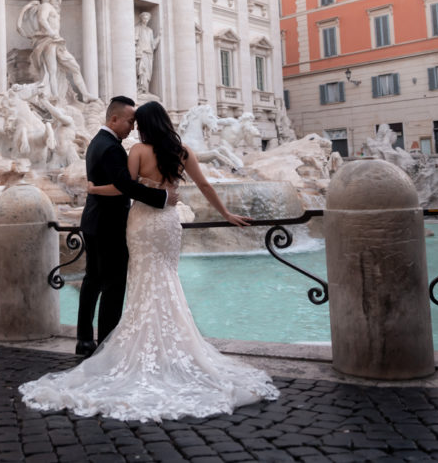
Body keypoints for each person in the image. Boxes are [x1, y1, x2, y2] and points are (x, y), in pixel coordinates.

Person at [21, 101, 279, 422]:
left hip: (142, 223)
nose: (133, 127)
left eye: (136, 123)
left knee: (140, 279)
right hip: (168, 223)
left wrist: (93, 188)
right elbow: (205, 184)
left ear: (143, 125)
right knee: (166, 277)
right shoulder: (182, 151)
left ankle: (119, 344)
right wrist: (226, 213)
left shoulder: (138, 152)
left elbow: (122, 188)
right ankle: (167, 346)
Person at [71, 96, 177, 358]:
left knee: (92, 280)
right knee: (113, 285)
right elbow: (125, 186)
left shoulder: (97, 142)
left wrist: (95, 189)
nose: (133, 127)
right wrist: (162, 197)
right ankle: (107, 343)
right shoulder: (111, 148)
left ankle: (84, 338)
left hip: (93, 221)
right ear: (114, 119)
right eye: (130, 121)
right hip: (109, 225)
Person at [17, 0, 91, 102]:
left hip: (57, 42)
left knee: (75, 67)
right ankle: (55, 96)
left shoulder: (55, 10)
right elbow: (42, 19)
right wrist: (51, 33)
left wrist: (54, 35)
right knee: (52, 70)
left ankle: (85, 94)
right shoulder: (46, 6)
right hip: (48, 41)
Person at [134, 11, 159, 95]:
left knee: (148, 72)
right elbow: (134, 40)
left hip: (149, 53)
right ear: (141, 19)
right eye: (144, 18)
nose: (146, 20)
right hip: (141, 53)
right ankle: (141, 89)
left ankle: (146, 89)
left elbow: (153, 45)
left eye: (147, 18)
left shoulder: (150, 31)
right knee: (141, 71)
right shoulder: (137, 28)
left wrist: (159, 36)